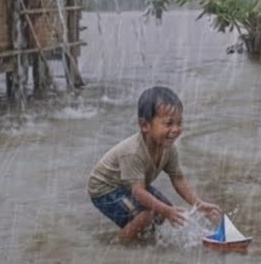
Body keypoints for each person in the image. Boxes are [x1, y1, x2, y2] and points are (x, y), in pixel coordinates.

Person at [87, 86, 220, 243]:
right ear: (145, 126)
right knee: (147, 214)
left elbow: (178, 179)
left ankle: (144, 240)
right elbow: (138, 192)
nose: (176, 129)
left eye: (179, 123)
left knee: (163, 212)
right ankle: (119, 246)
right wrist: (166, 211)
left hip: (128, 183)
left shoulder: (169, 148)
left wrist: (198, 204)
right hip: (105, 188)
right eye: (168, 123)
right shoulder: (133, 152)